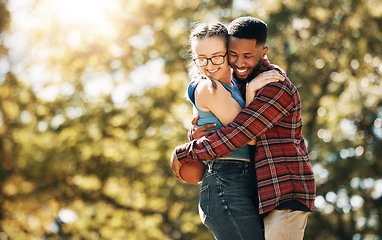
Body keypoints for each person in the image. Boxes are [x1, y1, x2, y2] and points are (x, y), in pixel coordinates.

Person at [171, 17, 316, 240]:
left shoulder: (274, 85)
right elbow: (230, 126)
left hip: (283, 192)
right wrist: (196, 133)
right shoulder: (236, 82)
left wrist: (186, 152)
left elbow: (240, 134)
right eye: (233, 54)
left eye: (248, 55)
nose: (239, 62)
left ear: (264, 52)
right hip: (249, 188)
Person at [181, 22, 283, 240]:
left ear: (229, 53)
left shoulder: (233, 85)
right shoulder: (210, 88)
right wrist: (252, 91)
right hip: (225, 183)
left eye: (217, 56)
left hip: (242, 181)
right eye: (201, 58)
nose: (209, 66)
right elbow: (249, 136)